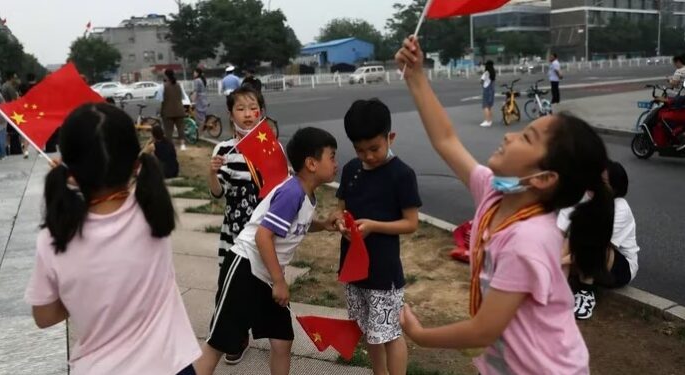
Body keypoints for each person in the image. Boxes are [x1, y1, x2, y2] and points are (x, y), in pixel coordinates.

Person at [395, 36, 614, 374]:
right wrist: (417, 77)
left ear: (542, 178)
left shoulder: (527, 241)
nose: (510, 135)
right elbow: (446, 139)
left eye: (526, 138)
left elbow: (484, 329)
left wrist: (420, 335)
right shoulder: (495, 194)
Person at [24, 103, 201, 374]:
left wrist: (81, 295)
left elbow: (44, 316)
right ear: (135, 164)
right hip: (171, 364)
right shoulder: (153, 210)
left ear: (70, 173)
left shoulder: (54, 237)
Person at [194, 127, 340, 375]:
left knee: (282, 340)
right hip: (246, 268)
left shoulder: (306, 193)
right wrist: (279, 281)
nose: (336, 163)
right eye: (332, 156)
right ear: (312, 164)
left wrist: (323, 224)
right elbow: (263, 236)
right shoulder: (292, 192)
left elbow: (294, 225)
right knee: (218, 344)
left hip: (266, 275)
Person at [335, 99, 421, 375]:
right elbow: (341, 210)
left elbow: (411, 223)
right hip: (353, 269)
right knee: (368, 331)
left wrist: (374, 226)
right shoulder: (351, 170)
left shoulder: (402, 174)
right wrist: (340, 223)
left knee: (390, 333)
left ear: (390, 137)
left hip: (384, 273)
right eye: (360, 150)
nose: (368, 156)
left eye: (374, 148)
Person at [206, 86, 266, 364]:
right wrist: (212, 172)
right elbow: (217, 194)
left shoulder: (270, 147)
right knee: (229, 285)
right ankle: (236, 336)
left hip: (263, 230)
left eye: (252, 108)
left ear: (260, 112)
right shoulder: (224, 149)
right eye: (240, 109)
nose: (247, 114)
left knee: (259, 284)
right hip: (234, 230)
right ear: (230, 115)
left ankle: (262, 329)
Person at [558, 160, 639, 320]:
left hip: (617, 266)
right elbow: (557, 232)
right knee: (567, 239)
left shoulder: (620, 208)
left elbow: (595, 247)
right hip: (581, 257)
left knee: (593, 247)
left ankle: (586, 293)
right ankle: (556, 290)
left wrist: (557, 262)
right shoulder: (581, 197)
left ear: (614, 188)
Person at [160, 69, 188, 151]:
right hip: (179, 110)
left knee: (168, 130)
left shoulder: (163, 86)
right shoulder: (179, 85)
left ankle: (170, 147)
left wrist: (160, 111)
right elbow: (183, 97)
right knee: (181, 129)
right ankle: (182, 145)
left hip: (167, 111)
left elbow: (161, 100)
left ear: (166, 76)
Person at [480, 60, 496, 127]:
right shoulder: (493, 72)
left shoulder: (486, 73)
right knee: (489, 106)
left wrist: (482, 83)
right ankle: (490, 121)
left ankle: (487, 121)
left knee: (485, 106)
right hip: (492, 90)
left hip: (486, 90)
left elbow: (481, 81)